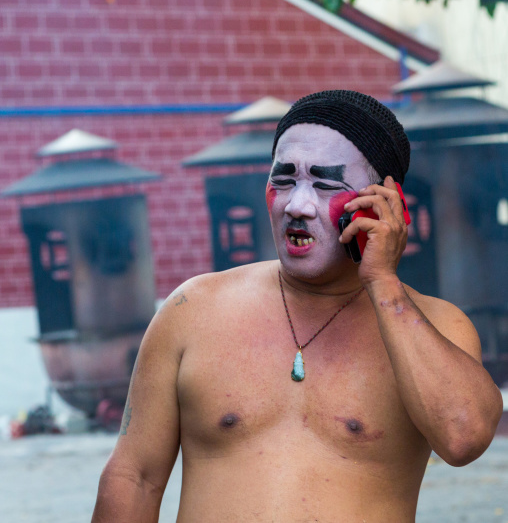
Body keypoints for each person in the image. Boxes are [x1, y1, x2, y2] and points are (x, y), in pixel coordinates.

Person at [91, 89, 503, 523]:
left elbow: (464, 440)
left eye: (326, 184)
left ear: (386, 204)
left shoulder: (437, 325)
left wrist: (383, 283)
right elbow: (133, 477)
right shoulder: (192, 309)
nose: (297, 205)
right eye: (284, 180)